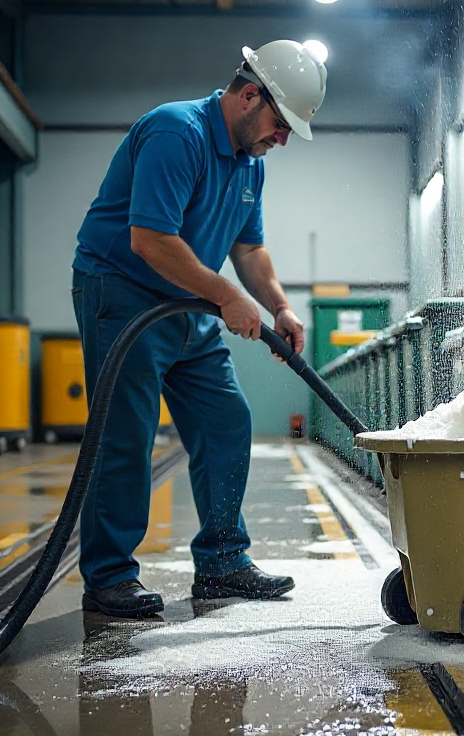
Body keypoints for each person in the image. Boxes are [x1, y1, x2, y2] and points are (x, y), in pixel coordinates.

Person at [70, 40, 326, 618]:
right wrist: (228, 297)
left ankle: (222, 564)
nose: (282, 139)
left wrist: (279, 306)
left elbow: (249, 248)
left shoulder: (249, 163)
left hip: (190, 302)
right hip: (125, 294)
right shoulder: (175, 132)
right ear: (249, 95)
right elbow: (150, 240)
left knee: (226, 419)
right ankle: (109, 577)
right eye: (281, 124)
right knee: (126, 437)